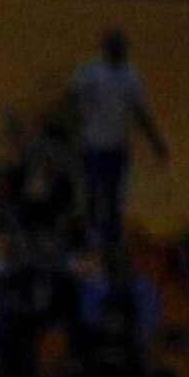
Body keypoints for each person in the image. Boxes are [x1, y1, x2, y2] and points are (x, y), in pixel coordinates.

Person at [71, 29, 168, 244]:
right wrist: (76, 130)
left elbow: (141, 112)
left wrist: (156, 141)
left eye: (121, 49)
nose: (118, 53)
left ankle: (112, 239)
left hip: (117, 146)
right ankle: (92, 236)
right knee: (93, 192)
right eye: (114, 48)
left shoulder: (131, 77)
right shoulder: (90, 73)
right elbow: (73, 102)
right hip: (93, 144)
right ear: (105, 49)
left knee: (114, 196)